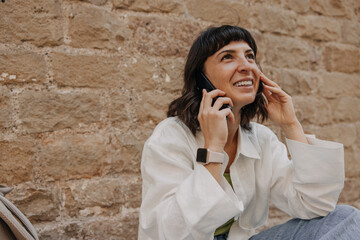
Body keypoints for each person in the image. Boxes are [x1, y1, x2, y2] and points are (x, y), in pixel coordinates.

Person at [138, 25, 360, 240]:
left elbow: (316, 204)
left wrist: (291, 125)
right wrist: (213, 149)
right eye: (228, 57)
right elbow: (170, 233)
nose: (246, 66)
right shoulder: (170, 137)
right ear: (201, 78)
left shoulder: (261, 139)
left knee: (345, 218)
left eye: (250, 56)